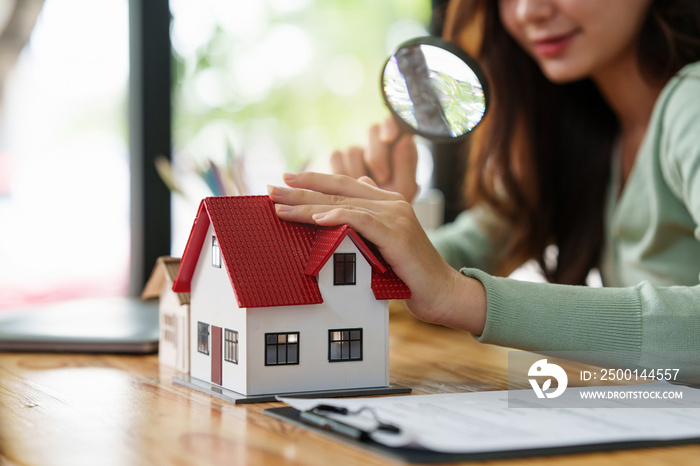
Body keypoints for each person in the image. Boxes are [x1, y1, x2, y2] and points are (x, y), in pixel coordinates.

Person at [268, 0, 700, 378]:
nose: (530, 10)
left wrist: (461, 298)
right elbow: (470, 246)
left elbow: (445, 285)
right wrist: (380, 232)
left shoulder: (691, 104)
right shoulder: (585, 138)